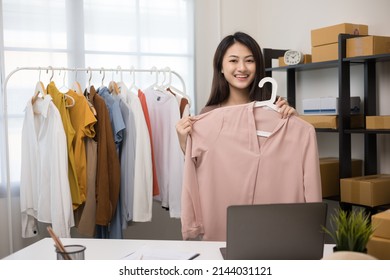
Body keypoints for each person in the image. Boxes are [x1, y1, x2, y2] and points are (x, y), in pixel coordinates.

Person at [176, 31, 297, 153]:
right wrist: (183, 141)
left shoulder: (276, 107)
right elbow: (201, 164)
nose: (242, 68)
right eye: (233, 61)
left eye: (249, 61)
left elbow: (291, 154)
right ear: (221, 67)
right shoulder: (208, 114)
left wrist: (294, 122)